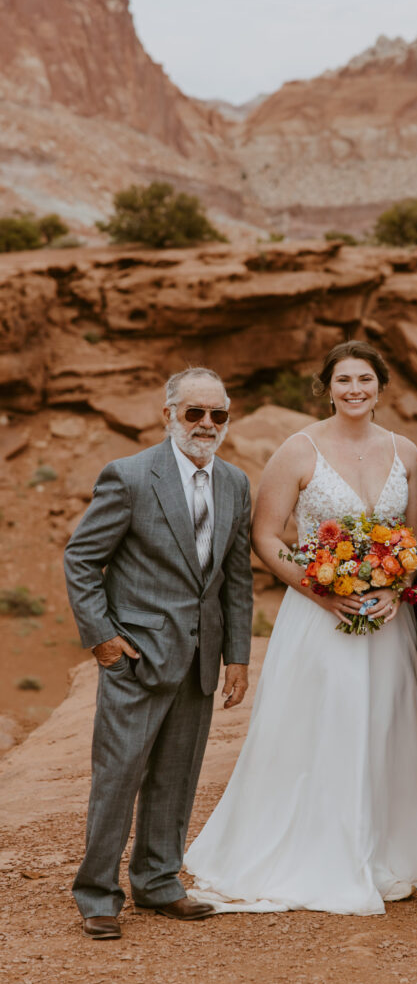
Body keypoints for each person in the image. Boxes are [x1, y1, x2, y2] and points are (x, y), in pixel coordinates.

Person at [184, 341, 417, 914]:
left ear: (381, 386)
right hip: (318, 617)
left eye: (366, 379)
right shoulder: (297, 450)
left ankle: (388, 847)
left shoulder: (407, 451)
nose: (355, 389)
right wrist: (319, 590)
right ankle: (313, 848)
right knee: (321, 726)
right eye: (344, 380)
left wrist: (395, 587)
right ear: (327, 387)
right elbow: (267, 537)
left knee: (384, 726)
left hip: (385, 621)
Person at [64, 367, 253, 940]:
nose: (205, 424)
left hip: (199, 659)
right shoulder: (128, 476)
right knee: (118, 778)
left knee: (176, 776)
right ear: (167, 413)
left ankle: (158, 882)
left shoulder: (236, 484)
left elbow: (235, 578)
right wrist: (102, 640)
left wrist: (237, 656)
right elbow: (81, 559)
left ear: (227, 418)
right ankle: (97, 894)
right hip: (135, 658)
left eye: (216, 414)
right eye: (193, 413)